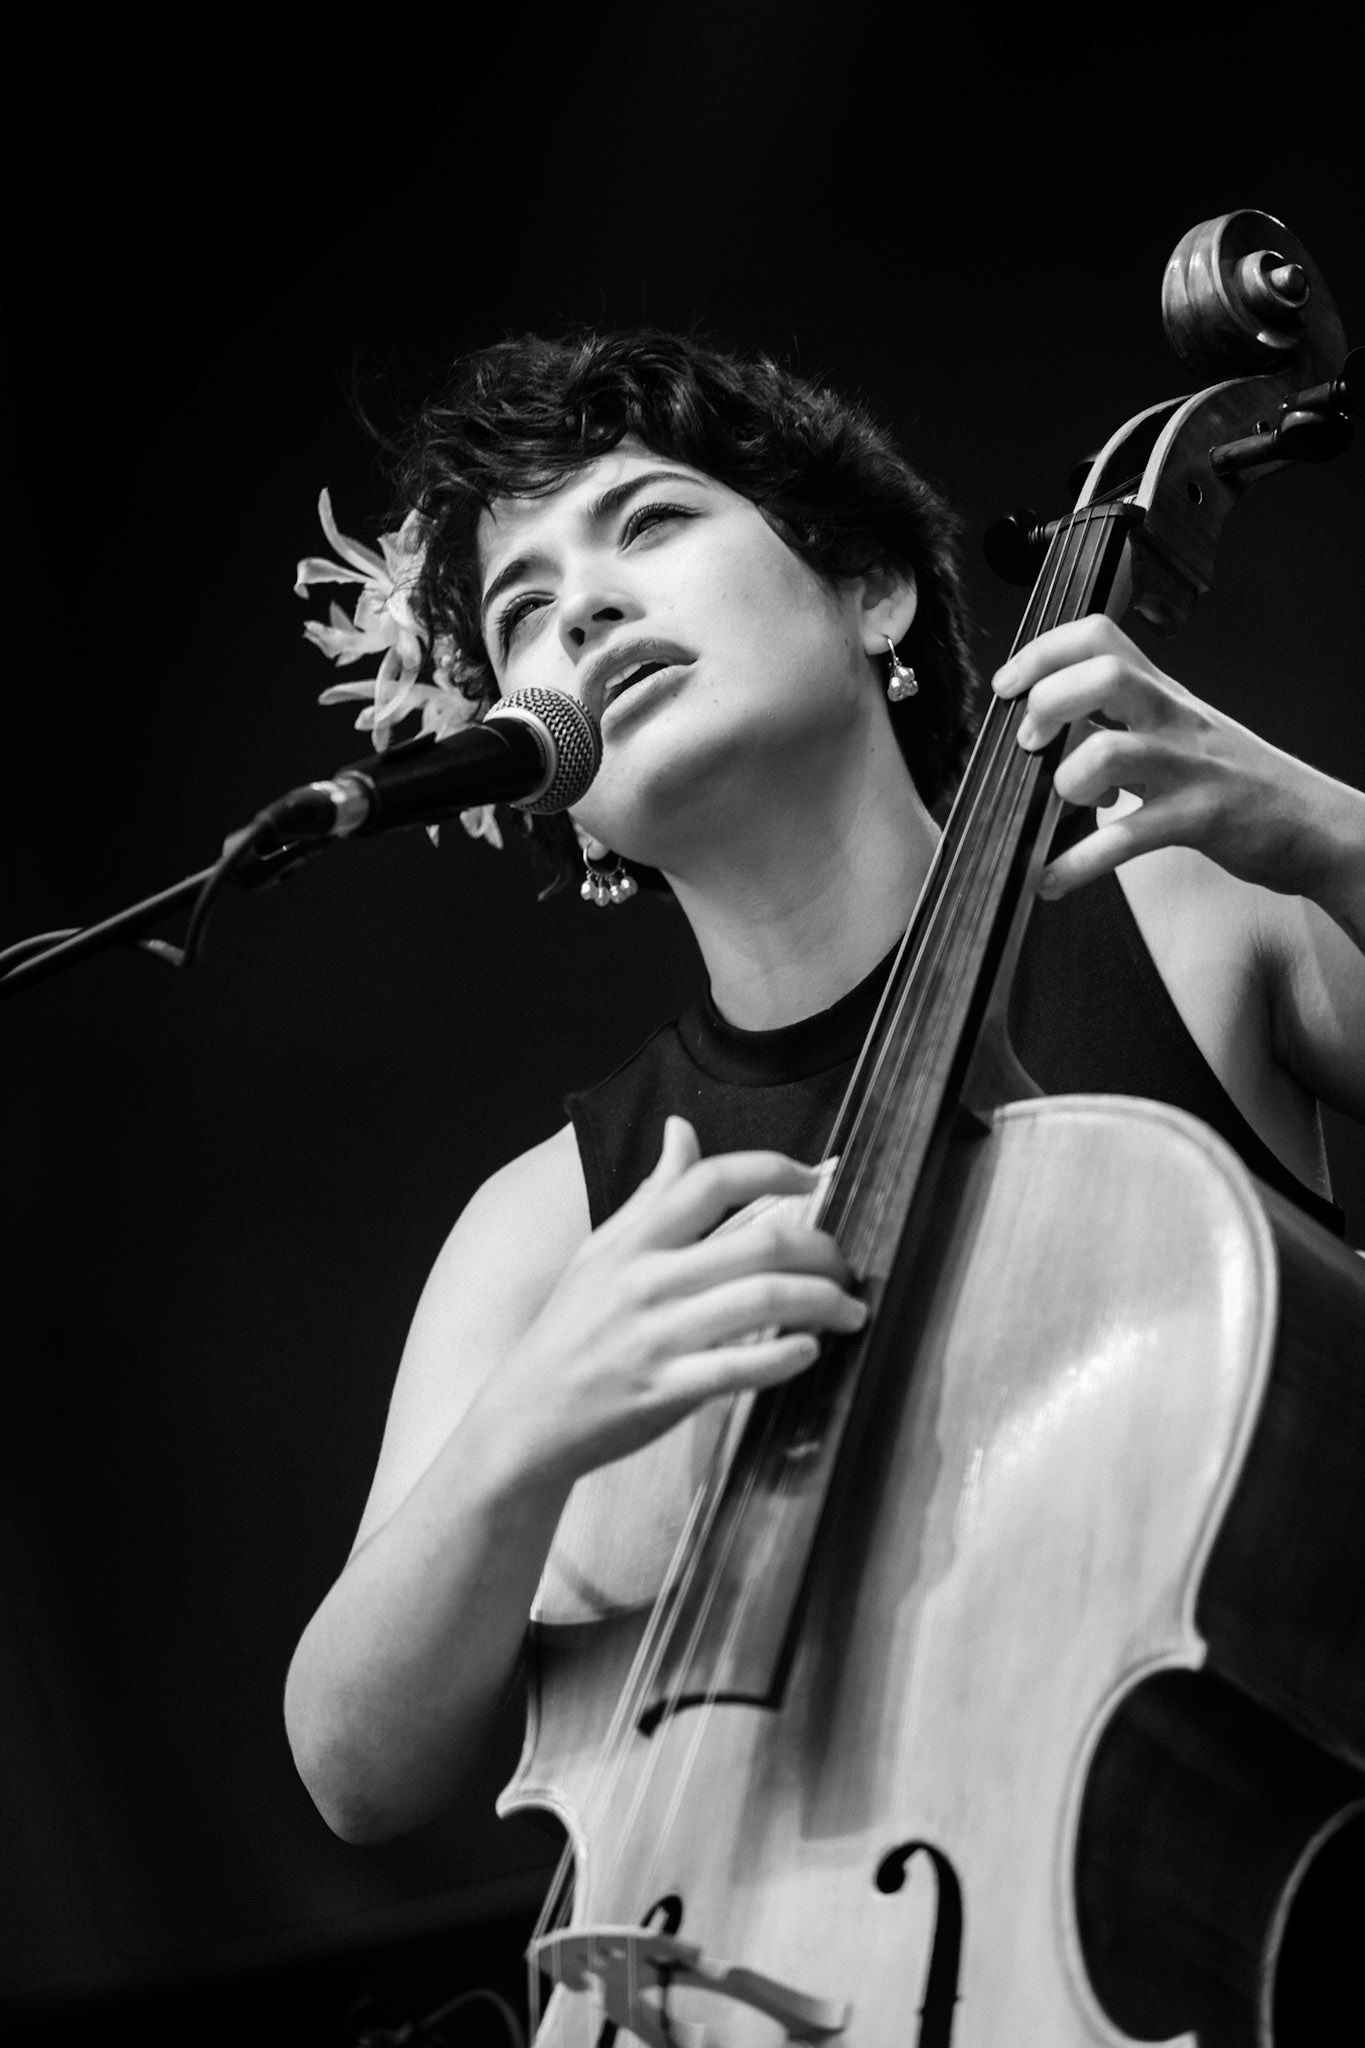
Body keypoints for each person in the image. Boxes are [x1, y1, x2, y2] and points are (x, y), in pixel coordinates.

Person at [283, 331, 1365, 1847]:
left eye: (650, 521)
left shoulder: (1185, 914)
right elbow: (355, 1773)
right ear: (552, 786)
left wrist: (1334, 838)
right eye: (523, 608)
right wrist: (523, 1431)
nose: (579, 606)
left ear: (872, 592)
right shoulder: (546, 1228)